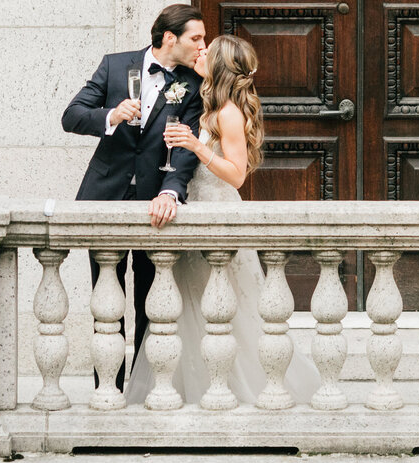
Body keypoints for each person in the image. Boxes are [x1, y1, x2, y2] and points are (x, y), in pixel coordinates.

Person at [126, 34, 321, 406]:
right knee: (192, 306)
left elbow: (237, 175)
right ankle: (196, 388)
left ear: (219, 65)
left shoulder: (229, 112)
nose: (200, 52)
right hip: (195, 211)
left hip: (218, 210)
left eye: (207, 51)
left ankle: (238, 389)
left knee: (227, 308)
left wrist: (196, 146)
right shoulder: (208, 104)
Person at [61, 3, 207, 390]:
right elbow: (71, 116)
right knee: (105, 301)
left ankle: (143, 390)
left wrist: (171, 192)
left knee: (151, 300)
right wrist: (110, 115)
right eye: (196, 38)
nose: (202, 46)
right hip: (104, 196)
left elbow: (187, 148)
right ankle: (106, 387)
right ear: (170, 38)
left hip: (153, 204)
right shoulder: (114, 65)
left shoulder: (192, 86)